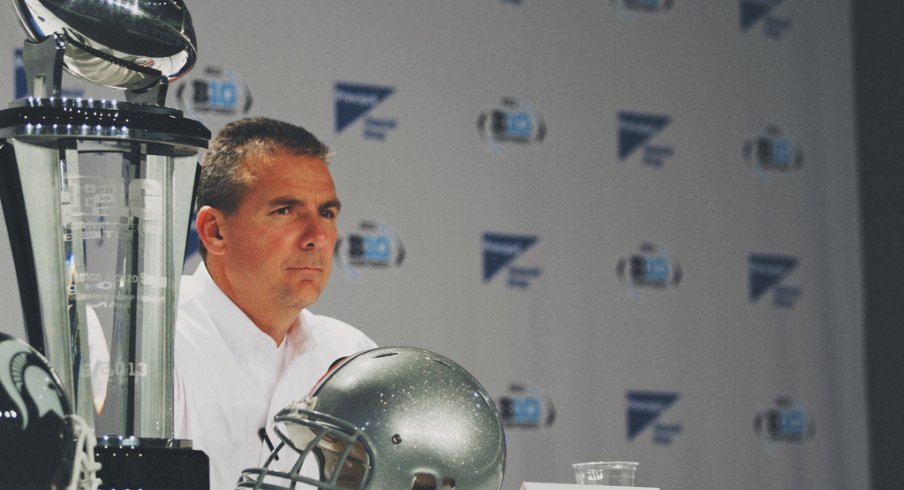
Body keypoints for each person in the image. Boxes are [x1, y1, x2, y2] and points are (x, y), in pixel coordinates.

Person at [174, 117, 376, 489]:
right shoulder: (154, 344)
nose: (317, 236)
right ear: (215, 231)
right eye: (285, 211)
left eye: (327, 214)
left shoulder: (353, 358)